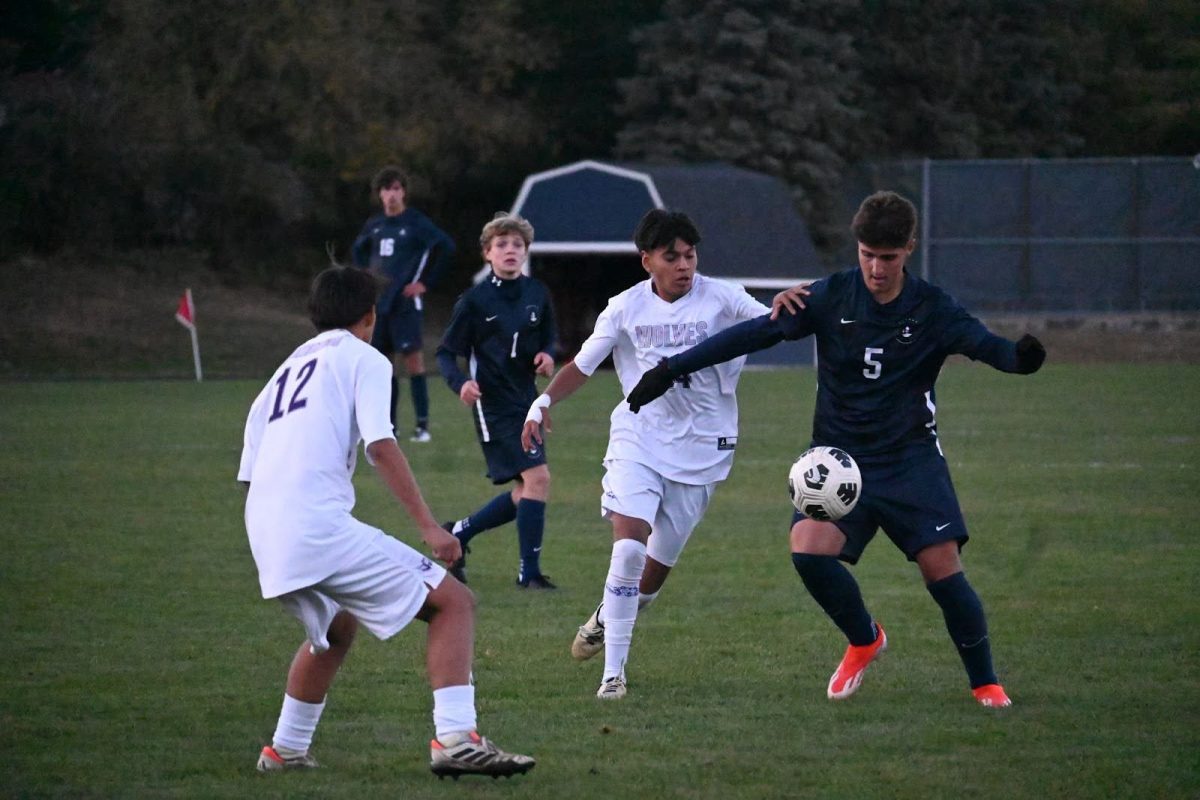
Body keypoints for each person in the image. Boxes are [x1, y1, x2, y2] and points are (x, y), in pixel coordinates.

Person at [625, 191, 1047, 708]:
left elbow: (988, 347)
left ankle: (985, 682)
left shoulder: (933, 308)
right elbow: (755, 334)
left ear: (908, 249)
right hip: (838, 462)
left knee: (942, 570)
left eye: (887, 257)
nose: (875, 266)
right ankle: (865, 638)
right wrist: (671, 369)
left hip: (910, 460)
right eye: (867, 254)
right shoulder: (829, 296)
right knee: (807, 550)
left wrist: (1021, 359)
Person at [238, 264, 534, 778]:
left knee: (335, 625)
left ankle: (285, 750)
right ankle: (457, 738)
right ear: (371, 315)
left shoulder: (281, 373)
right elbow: (379, 444)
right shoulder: (365, 358)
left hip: (264, 527)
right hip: (315, 526)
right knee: (453, 603)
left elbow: (250, 471)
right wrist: (429, 527)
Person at [520, 208, 790, 700]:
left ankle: (606, 615)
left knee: (646, 585)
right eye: (673, 257)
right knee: (627, 550)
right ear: (648, 261)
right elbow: (583, 364)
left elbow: (774, 325)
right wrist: (541, 403)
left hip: (704, 449)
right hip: (639, 438)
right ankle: (613, 677)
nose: (685, 265)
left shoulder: (722, 298)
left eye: (690, 255)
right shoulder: (624, 307)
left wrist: (792, 307)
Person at [435, 212, 558, 590]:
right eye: (501, 245)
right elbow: (445, 352)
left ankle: (458, 531)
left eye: (516, 245)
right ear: (487, 253)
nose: (510, 250)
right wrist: (461, 384)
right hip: (492, 406)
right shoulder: (474, 300)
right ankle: (529, 574)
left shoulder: (538, 293)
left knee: (526, 490)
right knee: (538, 479)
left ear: (525, 252)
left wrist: (548, 356)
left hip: (527, 402)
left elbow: (549, 340)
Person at [352, 165, 457, 443]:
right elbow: (358, 250)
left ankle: (422, 426)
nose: (391, 194)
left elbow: (446, 246)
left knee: (413, 362)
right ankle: (390, 426)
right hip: (379, 304)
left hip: (406, 304)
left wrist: (425, 283)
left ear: (404, 192)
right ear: (379, 194)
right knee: (382, 365)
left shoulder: (415, 222)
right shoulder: (374, 224)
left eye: (396, 188)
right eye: (386, 189)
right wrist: (366, 278)